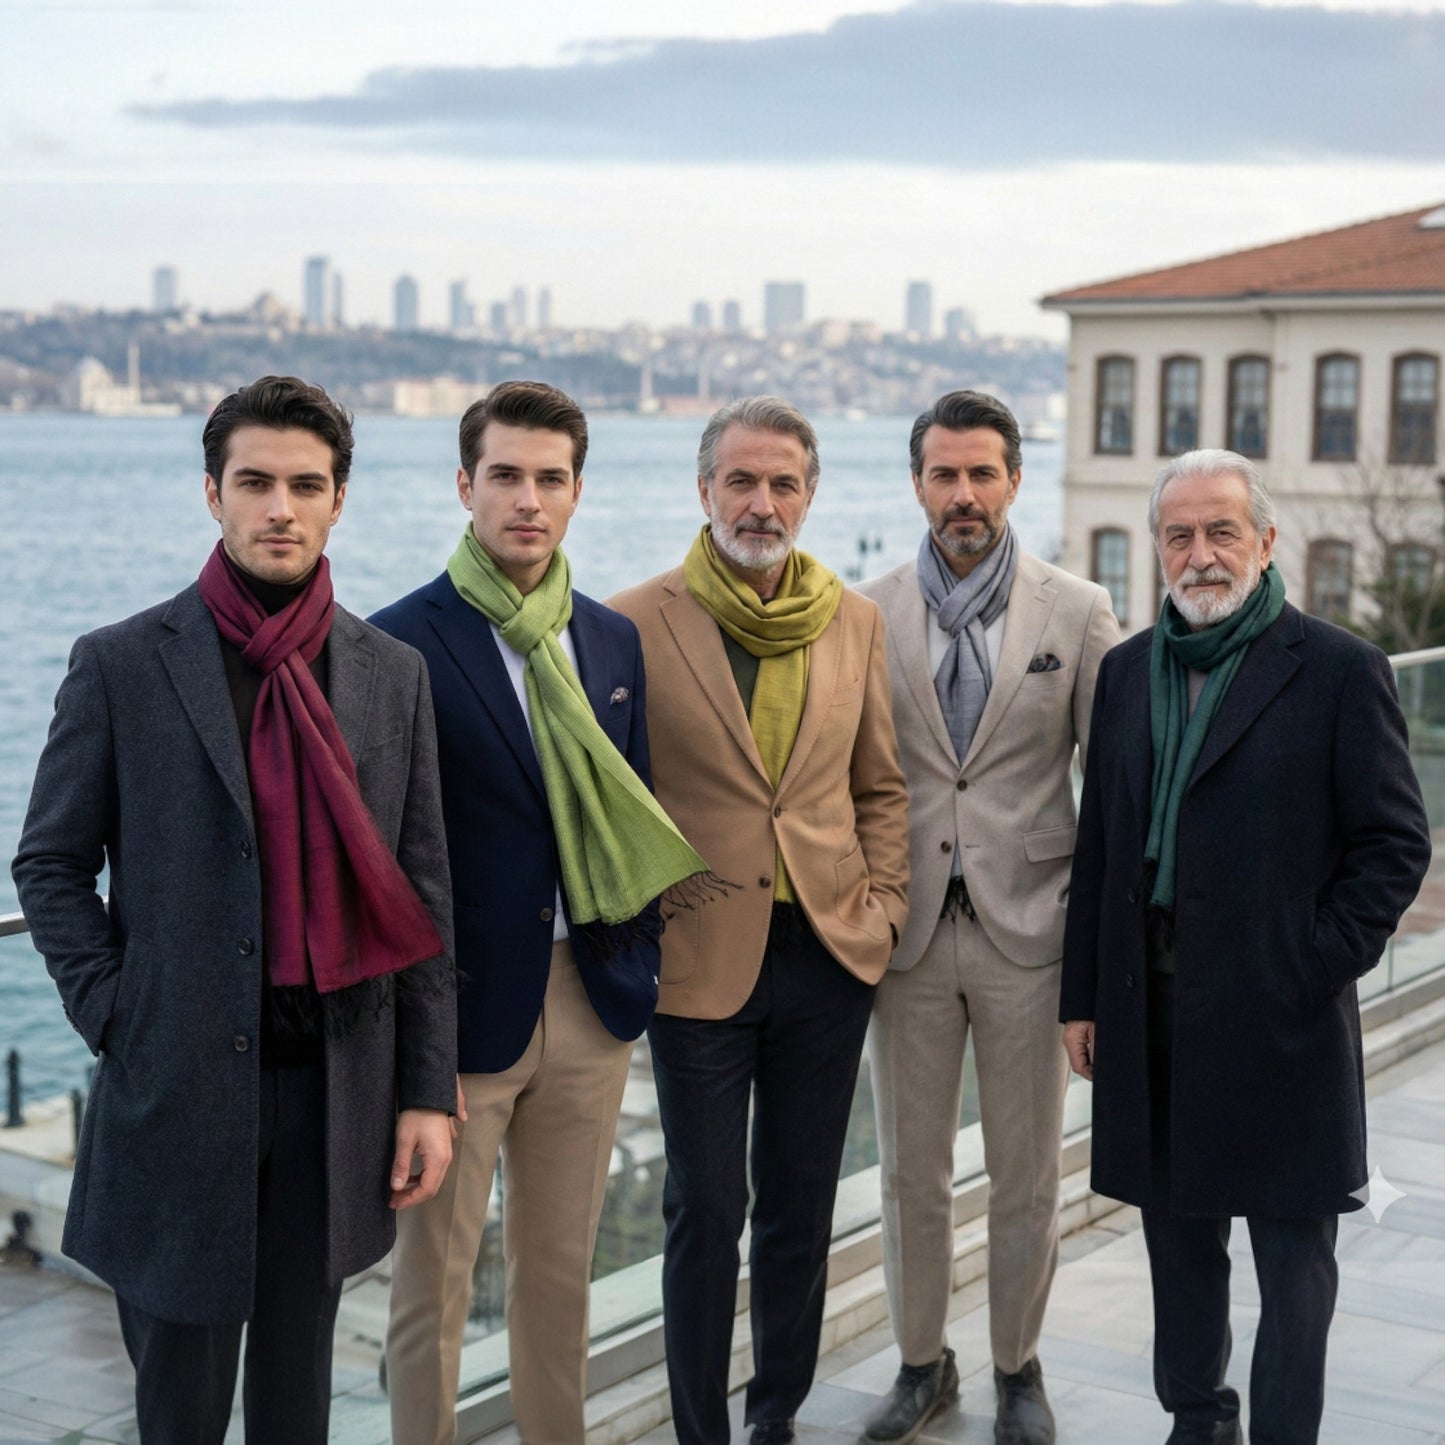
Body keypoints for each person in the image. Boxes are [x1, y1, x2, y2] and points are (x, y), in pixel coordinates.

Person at [11, 376, 457, 1444]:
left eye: (305, 485)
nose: (279, 508)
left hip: (333, 1100)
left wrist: (423, 1090)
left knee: (298, 1408)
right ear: (212, 492)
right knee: (180, 1410)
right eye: (254, 481)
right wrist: (121, 1012)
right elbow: (51, 864)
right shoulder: (121, 662)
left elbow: (423, 891)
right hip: (177, 1099)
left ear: (338, 500)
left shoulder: (390, 674)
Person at [1060, 448, 1431, 1445]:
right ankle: (1196, 1416)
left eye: (1221, 529)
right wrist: (1080, 996)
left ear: (1264, 542)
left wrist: (1308, 961)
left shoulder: (1337, 670)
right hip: (1150, 1008)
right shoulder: (1125, 670)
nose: (1200, 552)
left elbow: (1394, 844)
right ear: (1156, 550)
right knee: (1176, 1243)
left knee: (1290, 1260)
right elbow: (1100, 842)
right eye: (1178, 534)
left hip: (1280, 1017)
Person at [372, 380, 706, 1445]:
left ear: (575, 493)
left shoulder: (607, 641)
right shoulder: (397, 644)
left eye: (548, 479)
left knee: (557, 1281)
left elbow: (633, 805)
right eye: (505, 475)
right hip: (459, 1020)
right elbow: (381, 865)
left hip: (588, 1004)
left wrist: (636, 961)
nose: (527, 498)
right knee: (432, 1288)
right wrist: (410, 1045)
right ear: (464, 485)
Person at [609, 395, 910, 1445]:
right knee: (704, 1213)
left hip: (828, 954)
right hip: (696, 958)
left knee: (799, 1208)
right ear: (703, 491)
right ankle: (699, 1428)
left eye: (782, 482)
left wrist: (882, 907)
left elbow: (879, 785)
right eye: (740, 480)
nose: (761, 501)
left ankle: (772, 1412)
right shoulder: (629, 620)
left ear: (809, 495)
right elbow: (608, 800)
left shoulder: (854, 620)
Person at [856, 390, 1119, 1445]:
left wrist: (1099, 951)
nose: (961, 494)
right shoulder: (862, 611)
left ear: (1013, 478)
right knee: (908, 1170)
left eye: (980, 473)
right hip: (907, 934)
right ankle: (921, 1359)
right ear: (916, 482)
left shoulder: (1077, 608)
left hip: (1031, 929)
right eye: (941, 474)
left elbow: (1112, 785)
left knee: (1025, 1171)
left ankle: (1018, 1364)